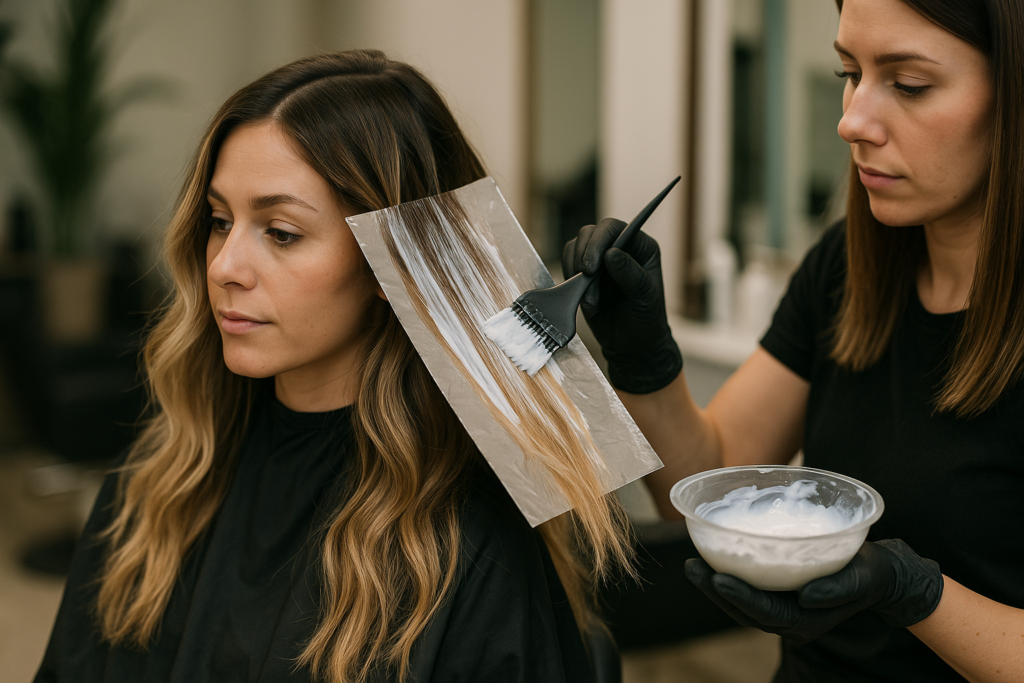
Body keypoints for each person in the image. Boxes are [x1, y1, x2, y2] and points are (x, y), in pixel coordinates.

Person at [35, 49, 630, 683]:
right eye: (218, 220)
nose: (223, 267)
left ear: (391, 265)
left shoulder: (467, 552)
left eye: (282, 231)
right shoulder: (158, 490)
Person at [563, 0, 1024, 681]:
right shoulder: (846, 267)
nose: (851, 121)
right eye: (849, 71)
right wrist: (643, 355)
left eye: (910, 84)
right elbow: (703, 487)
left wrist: (916, 593)